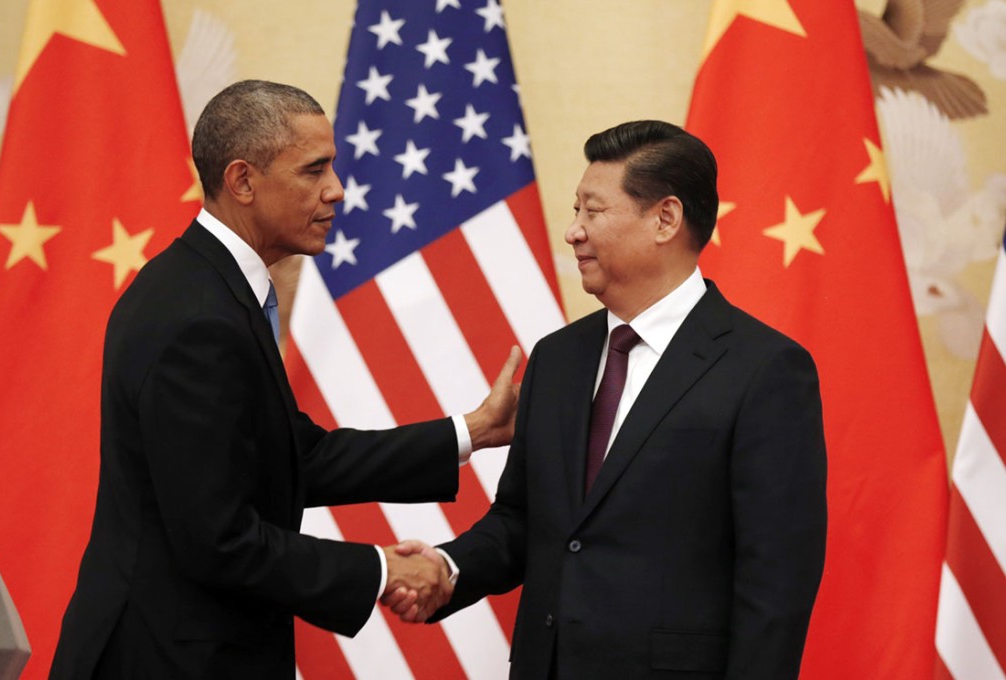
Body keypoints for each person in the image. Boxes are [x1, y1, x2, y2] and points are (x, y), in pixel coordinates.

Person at [49, 80, 520, 680]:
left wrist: (473, 431)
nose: (337, 190)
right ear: (243, 181)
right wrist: (381, 570)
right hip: (164, 657)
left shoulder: (212, 290)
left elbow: (300, 457)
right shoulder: (197, 317)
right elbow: (217, 540)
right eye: (313, 170)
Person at [389, 120, 827, 679]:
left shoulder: (763, 368)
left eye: (591, 212)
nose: (572, 231)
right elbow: (526, 519)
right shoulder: (556, 358)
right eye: (576, 212)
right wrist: (448, 566)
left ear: (665, 219)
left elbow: (777, 579)